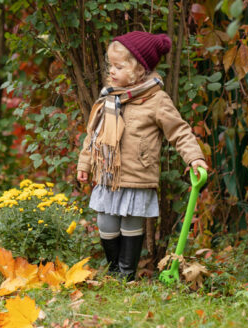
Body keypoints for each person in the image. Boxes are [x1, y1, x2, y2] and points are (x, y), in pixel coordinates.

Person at [76, 31, 209, 281]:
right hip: (108, 175)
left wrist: (194, 158)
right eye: (110, 65)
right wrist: (85, 163)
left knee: (130, 226)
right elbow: (93, 134)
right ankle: (115, 269)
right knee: (105, 224)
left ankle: (126, 276)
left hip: (138, 176)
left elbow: (179, 131)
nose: (112, 71)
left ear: (139, 70)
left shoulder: (157, 100)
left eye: (119, 66)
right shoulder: (110, 97)